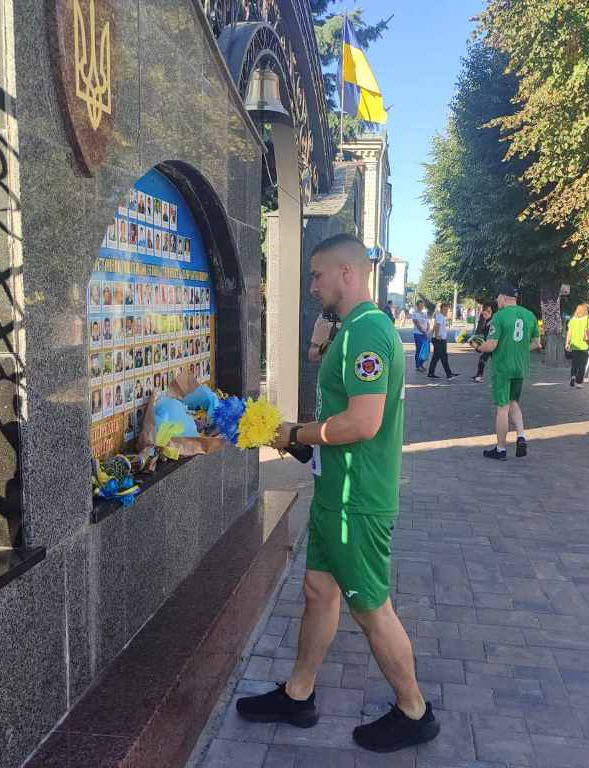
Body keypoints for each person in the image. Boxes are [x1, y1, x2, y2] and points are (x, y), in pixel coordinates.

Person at [239, 234, 439, 752]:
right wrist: (301, 438)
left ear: (346, 273)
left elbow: (362, 422)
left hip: (357, 500)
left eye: (317, 275)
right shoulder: (350, 329)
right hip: (335, 493)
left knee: (371, 608)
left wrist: (296, 433)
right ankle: (298, 695)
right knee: (318, 591)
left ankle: (414, 712)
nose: (312, 286)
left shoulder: (367, 331)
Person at [475, 285, 541, 461]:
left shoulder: (499, 316)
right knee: (513, 402)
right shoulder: (529, 315)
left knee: (502, 409)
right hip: (520, 367)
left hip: (503, 368)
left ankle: (501, 449)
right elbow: (537, 343)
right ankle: (521, 436)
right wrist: (520, 350)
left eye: (497, 298)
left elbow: (491, 345)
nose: (496, 301)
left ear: (503, 297)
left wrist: (478, 346)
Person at [565, 303, 589, 388]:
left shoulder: (573, 320)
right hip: (585, 345)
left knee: (575, 363)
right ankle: (579, 383)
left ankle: (573, 376)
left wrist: (567, 343)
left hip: (574, 345)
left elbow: (569, 332)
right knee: (582, 365)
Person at [427, 302, 458, 379]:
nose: (446, 311)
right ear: (441, 309)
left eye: (447, 309)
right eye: (445, 309)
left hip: (439, 340)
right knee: (443, 357)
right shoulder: (440, 316)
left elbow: (435, 326)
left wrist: (433, 335)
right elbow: (437, 326)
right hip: (439, 340)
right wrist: (436, 336)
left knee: (436, 357)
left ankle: (431, 373)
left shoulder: (440, 316)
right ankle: (449, 374)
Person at [472, 304, 494, 383]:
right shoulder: (487, 321)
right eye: (483, 314)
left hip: (492, 345)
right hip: (488, 344)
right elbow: (485, 333)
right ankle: (479, 375)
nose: (484, 316)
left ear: (490, 312)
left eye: (485, 314)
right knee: (483, 360)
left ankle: (479, 376)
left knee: (483, 360)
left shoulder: (493, 322)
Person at [410, 300, 430, 373]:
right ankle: (418, 366)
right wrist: (423, 331)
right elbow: (417, 324)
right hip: (418, 334)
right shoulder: (415, 314)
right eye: (420, 305)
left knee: (424, 350)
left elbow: (428, 323)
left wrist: (427, 331)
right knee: (419, 349)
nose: (422, 306)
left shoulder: (424, 314)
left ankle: (421, 364)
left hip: (425, 334)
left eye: (422, 305)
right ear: (417, 306)